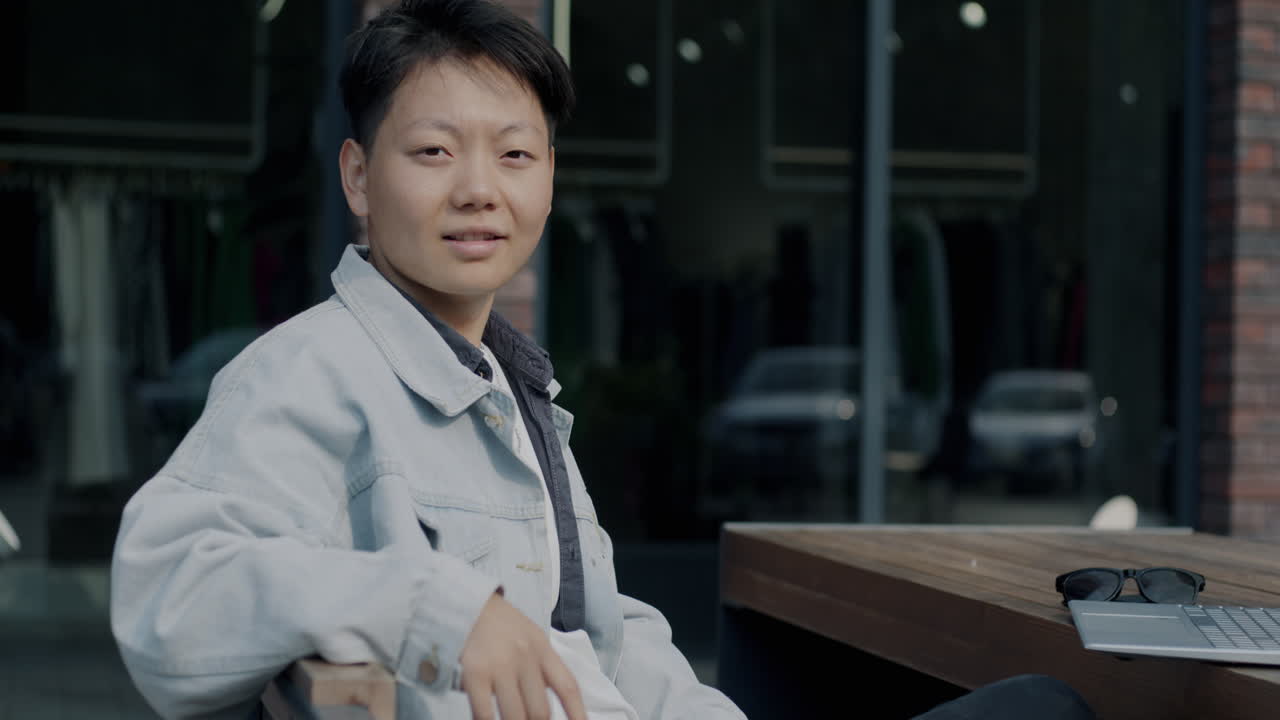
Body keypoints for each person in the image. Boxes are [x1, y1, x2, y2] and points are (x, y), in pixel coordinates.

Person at [110, 2, 1094, 719]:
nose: (477, 191)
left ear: (547, 181)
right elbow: (167, 606)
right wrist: (436, 608)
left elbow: (603, 634)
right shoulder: (310, 375)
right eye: (433, 154)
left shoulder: (507, 385)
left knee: (1039, 703)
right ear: (358, 180)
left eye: (514, 155)